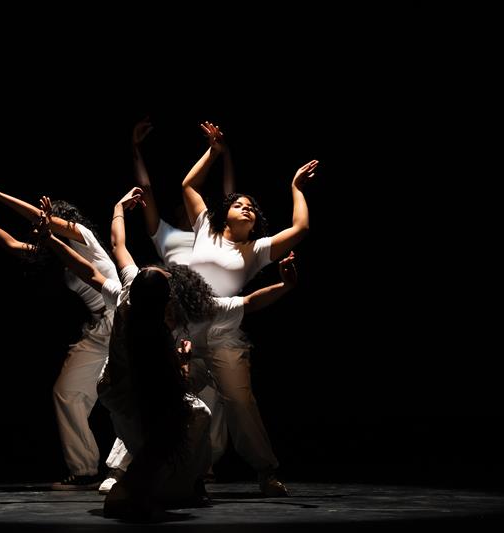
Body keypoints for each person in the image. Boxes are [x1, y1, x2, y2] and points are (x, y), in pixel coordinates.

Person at [38, 188, 299, 517]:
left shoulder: (136, 294)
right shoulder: (145, 303)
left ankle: (175, 475)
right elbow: (94, 264)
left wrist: (53, 237)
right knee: (187, 412)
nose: (163, 269)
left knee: (191, 409)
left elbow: (97, 263)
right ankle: (139, 476)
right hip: (129, 390)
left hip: (127, 388)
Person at [98, 117, 238, 493]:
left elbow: (228, 197)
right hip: (165, 309)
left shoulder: (214, 237)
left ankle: (198, 467)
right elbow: (145, 190)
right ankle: (123, 468)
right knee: (150, 385)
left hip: (202, 311)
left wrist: (222, 154)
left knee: (207, 393)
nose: (185, 211)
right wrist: (136, 150)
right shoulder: (166, 236)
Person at [180, 120, 318, 496]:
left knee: (240, 402)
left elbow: (301, 228)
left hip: (225, 331)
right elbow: (188, 186)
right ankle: (145, 470)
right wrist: (213, 151)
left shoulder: (255, 251)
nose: (246, 209)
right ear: (225, 213)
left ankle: (265, 470)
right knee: (165, 397)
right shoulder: (206, 226)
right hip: (184, 331)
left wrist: (295, 188)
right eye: (239, 204)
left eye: (252, 209)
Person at [0, 182, 120, 490]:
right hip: (99, 329)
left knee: (126, 395)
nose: (33, 229)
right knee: (67, 392)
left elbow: (38, 219)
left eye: (40, 222)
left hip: (123, 320)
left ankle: (142, 464)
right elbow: (12, 245)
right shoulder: (56, 254)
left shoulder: (83, 237)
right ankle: (84, 470)